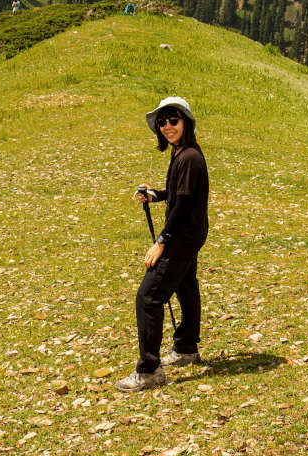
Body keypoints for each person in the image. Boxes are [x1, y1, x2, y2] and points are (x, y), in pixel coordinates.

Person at [117, 96, 209, 392]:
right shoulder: (182, 153)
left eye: (173, 120)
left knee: (149, 297)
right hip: (191, 234)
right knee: (185, 285)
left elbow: (182, 203)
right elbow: (178, 192)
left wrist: (161, 241)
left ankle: (149, 370)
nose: (167, 126)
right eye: (162, 121)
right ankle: (185, 348)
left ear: (186, 122)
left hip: (181, 237)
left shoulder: (190, 157)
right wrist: (156, 194)